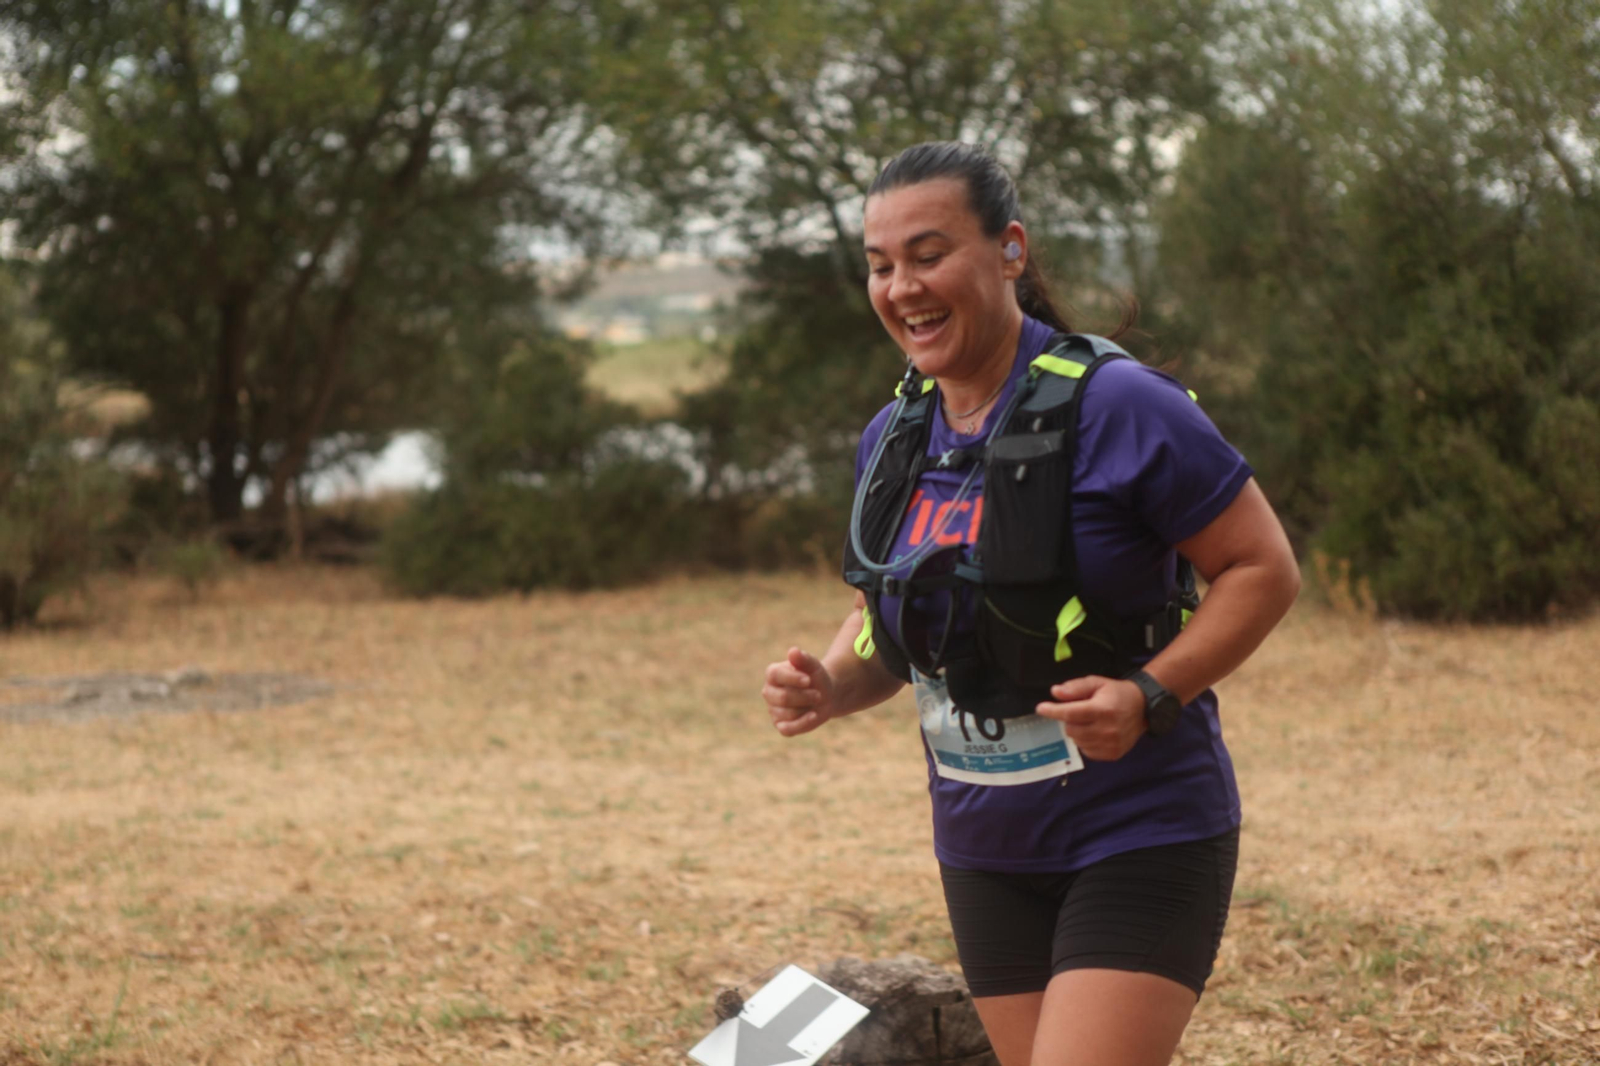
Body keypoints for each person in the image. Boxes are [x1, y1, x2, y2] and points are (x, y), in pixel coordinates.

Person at [759, 142, 1301, 1066]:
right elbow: (893, 627)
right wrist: (830, 685)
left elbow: (1262, 568)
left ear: (1010, 249)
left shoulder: (1122, 404)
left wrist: (1149, 693)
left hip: (1141, 828)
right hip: (984, 848)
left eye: (929, 255)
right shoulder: (892, 436)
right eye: (881, 266)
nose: (902, 287)